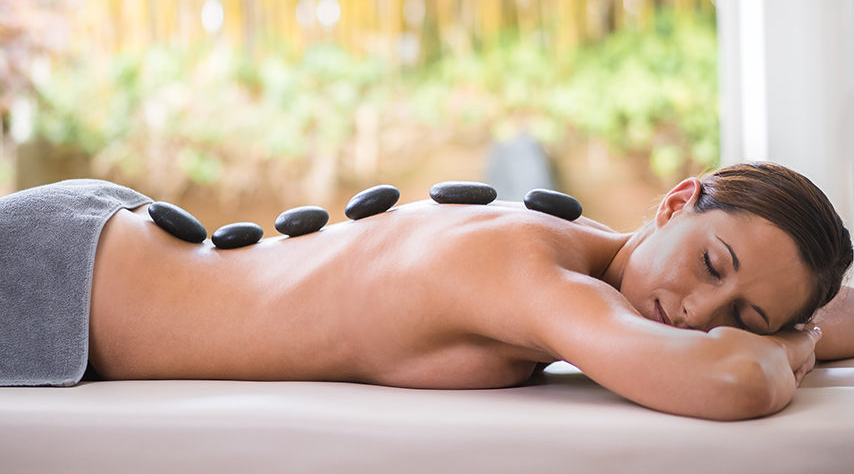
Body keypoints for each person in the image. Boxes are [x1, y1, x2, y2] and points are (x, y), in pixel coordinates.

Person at [1, 162, 852, 421]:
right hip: (59, 278)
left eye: (744, 315)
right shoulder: (533, 275)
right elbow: (731, 382)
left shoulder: (587, 254)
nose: (700, 316)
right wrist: (787, 343)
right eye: (711, 267)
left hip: (98, 247)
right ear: (675, 201)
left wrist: (797, 321)